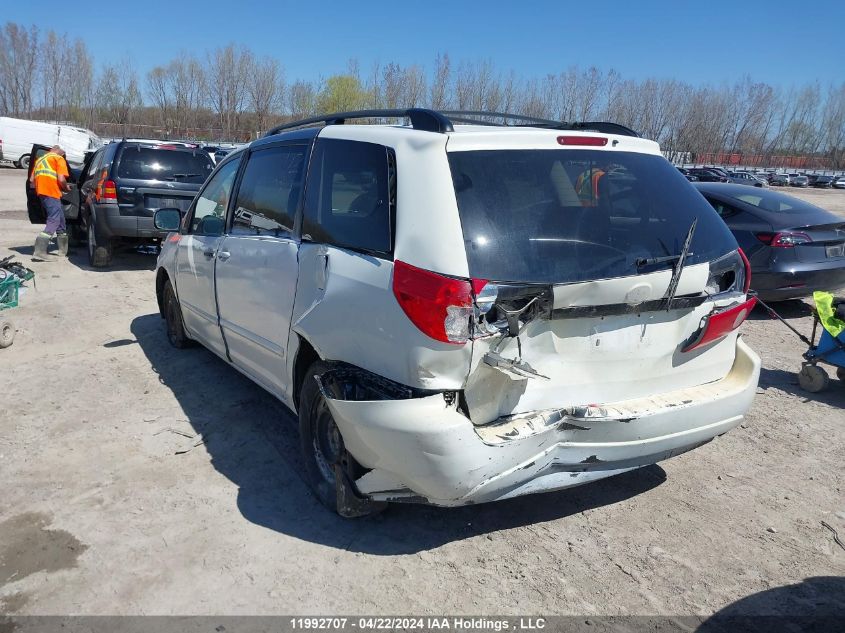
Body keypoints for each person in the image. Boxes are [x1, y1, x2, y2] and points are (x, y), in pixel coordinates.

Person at [30, 145, 70, 261]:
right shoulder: (59, 158)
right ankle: (40, 251)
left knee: (61, 219)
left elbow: (32, 180)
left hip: (42, 192)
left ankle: (63, 251)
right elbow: (61, 179)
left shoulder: (40, 160)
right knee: (54, 219)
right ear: (61, 153)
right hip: (51, 191)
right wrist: (66, 188)